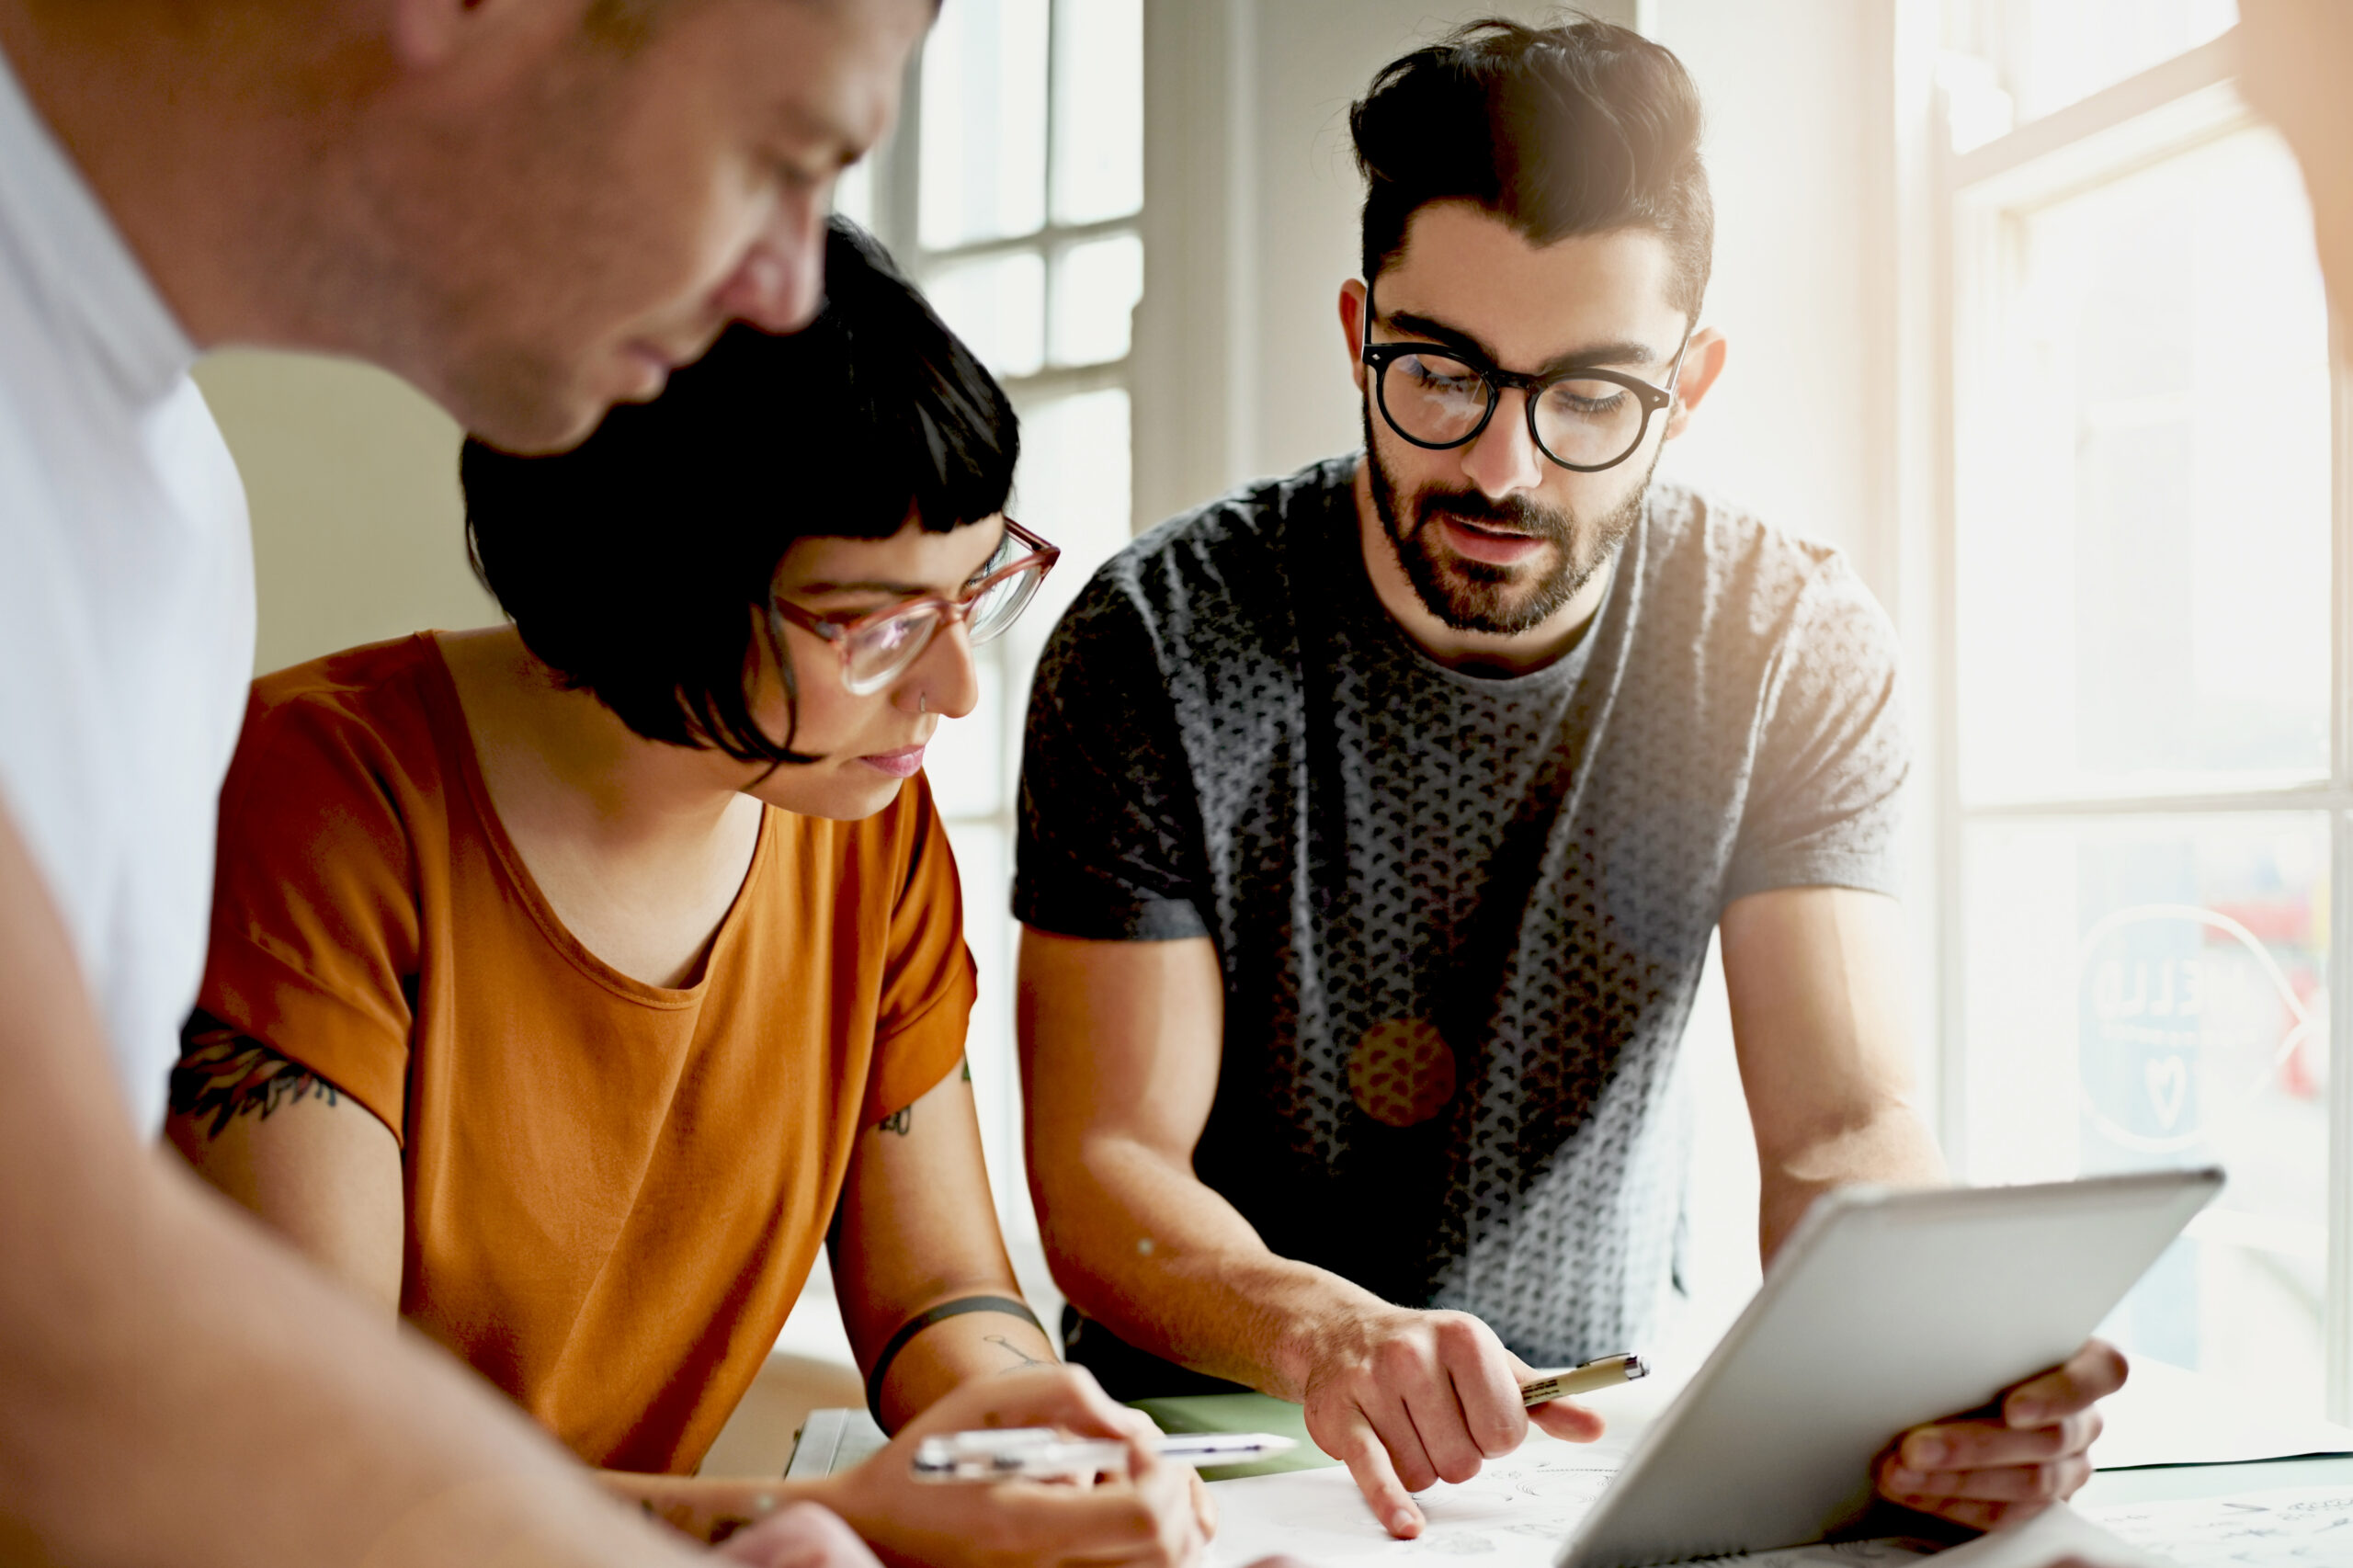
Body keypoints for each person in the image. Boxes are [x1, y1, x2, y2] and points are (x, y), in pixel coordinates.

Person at [1014, 16, 2122, 1545]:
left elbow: (1845, 1126)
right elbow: (1101, 1164)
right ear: (1358, 334)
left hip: (1591, 1438)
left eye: (1593, 394)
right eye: (1442, 375)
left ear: (1692, 381)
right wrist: (1328, 1333)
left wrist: (1933, 1378)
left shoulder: (1786, 640)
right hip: (1205, 1452)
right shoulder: (1155, 642)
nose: (1503, 471)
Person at [0, 2, 935, 1564]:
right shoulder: (325, 767)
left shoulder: (170, 492)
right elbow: (58, 1340)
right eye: (778, 158)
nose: (786, 287)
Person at [165, 222, 1207, 1568]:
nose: (954, 686)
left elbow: (936, 1284)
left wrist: (1023, 1439)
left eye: (977, 588)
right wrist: (815, 1510)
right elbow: (315, 1460)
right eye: (877, 623)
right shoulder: (321, 808)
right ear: (656, 583)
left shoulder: (858, 822)